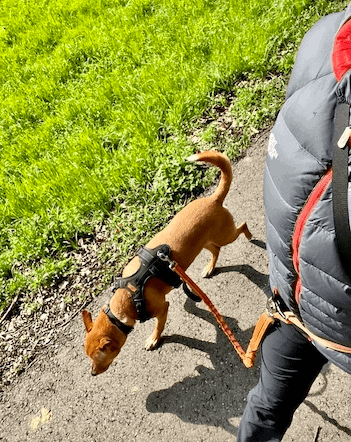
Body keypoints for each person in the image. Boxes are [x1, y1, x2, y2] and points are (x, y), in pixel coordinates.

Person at [237, 4, 351, 441]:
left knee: (264, 410)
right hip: (297, 309)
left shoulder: (325, 35)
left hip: (295, 305)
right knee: (265, 407)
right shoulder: (326, 36)